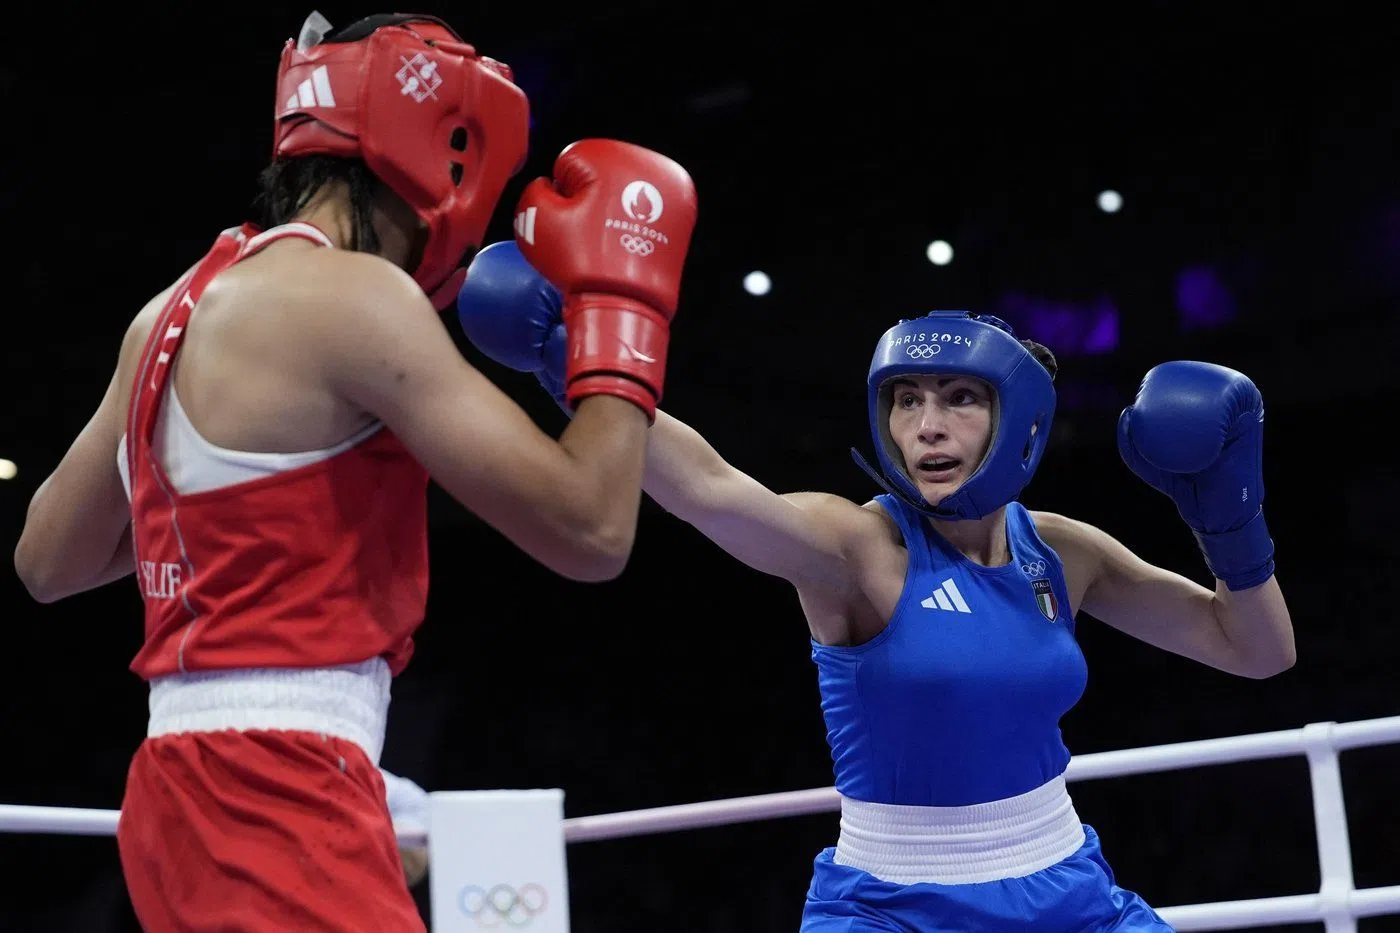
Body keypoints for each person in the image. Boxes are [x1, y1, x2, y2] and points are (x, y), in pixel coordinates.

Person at [13, 11, 696, 932]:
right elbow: (592, 530)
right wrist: (622, 312)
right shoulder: (357, 297)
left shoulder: (170, 309)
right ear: (441, 152)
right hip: (277, 789)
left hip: (178, 793)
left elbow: (47, 561)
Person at [455, 243, 1296, 931]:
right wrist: (574, 358)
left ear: (1022, 420)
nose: (926, 424)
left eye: (961, 398)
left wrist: (1230, 518)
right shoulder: (858, 546)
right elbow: (708, 488)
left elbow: (1254, 649)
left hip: (1069, 890)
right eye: (905, 399)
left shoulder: (1064, 553)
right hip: (897, 907)